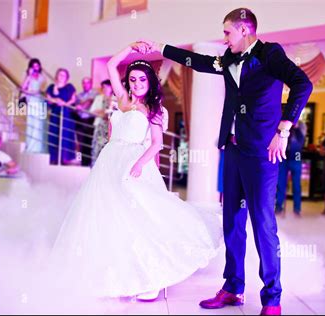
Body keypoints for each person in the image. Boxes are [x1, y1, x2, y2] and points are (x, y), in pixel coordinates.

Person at [141, 7, 313, 315]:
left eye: (227, 32)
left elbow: (303, 84)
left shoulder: (270, 54)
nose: (224, 38)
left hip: (262, 152)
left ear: (244, 30)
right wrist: (162, 48)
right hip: (232, 150)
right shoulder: (229, 58)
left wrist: (284, 129)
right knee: (232, 222)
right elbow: (201, 63)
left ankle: (272, 299)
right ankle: (233, 288)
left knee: (263, 225)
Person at [49, 45, 222, 302]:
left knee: (141, 219)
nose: (137, 83)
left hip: (134, 163)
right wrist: (130, 48)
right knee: (109, 217)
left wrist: (139, 164)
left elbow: (157, 144)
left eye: (142, 79)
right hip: (109, 162)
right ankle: (114, 273)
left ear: (149, 82)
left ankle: (152, 277)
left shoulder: (154, 108)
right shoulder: (122, 99)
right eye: (132, 79)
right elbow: (110, 66)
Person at [46, 68, 77, 165]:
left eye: (64, 75)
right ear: (56, 76)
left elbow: (73, 99)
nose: (62, 77)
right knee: (54, 134)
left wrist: (64, 103)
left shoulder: (70, 87)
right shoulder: (51, 87)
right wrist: (56, 101)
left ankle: (66, 158)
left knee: (66, 135)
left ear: (67, 77)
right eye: (60, 74)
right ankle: (54, 158)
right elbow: (48, 99)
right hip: (55, 113)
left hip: (67, 114)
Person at [275, 121, 307, 216]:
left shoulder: (301, 125)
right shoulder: (283, 123)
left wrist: (296, 128)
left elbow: (301, 141)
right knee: (281, 184)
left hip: (296, 159)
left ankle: (297, 209)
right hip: (283, 158)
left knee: (296, 185)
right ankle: (279, 206)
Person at [21, 58, 47, 153]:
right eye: (33, 66)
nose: (36, 67)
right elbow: (23, 88)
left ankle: (39, 147)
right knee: (32, 122)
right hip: (32, 101)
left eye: (37, 65)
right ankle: (31, 146)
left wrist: (34, 91)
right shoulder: (29, 76)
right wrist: (29, 75)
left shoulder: (42, 77)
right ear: (31, 67)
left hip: (40, 101)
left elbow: (42, 89)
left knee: (39, 123)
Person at [89, 79, 117, 166]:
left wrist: (102, 112)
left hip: (110, 128)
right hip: (100, 126)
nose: (104, 89)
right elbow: (92, 111)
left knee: (107, 149)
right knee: (97, 147)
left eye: (106, 87)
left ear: (111, 87)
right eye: (103, 87)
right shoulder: (98, 98)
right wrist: (103, 112)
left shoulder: (115, 99)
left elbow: (112, 113)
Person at [74, 77, 98, 166]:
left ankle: (90, 163)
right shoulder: (79, 95)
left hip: (90, 120)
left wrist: (82, 106)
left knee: (89, 141)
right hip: (80, 120)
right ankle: (83, 162)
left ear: (91, 84)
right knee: (81, 142)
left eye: (87, 83)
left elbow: (90, 101)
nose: (85, 84)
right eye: (83, 83)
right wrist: (80, 105)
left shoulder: (95, 93)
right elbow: (75, 106)